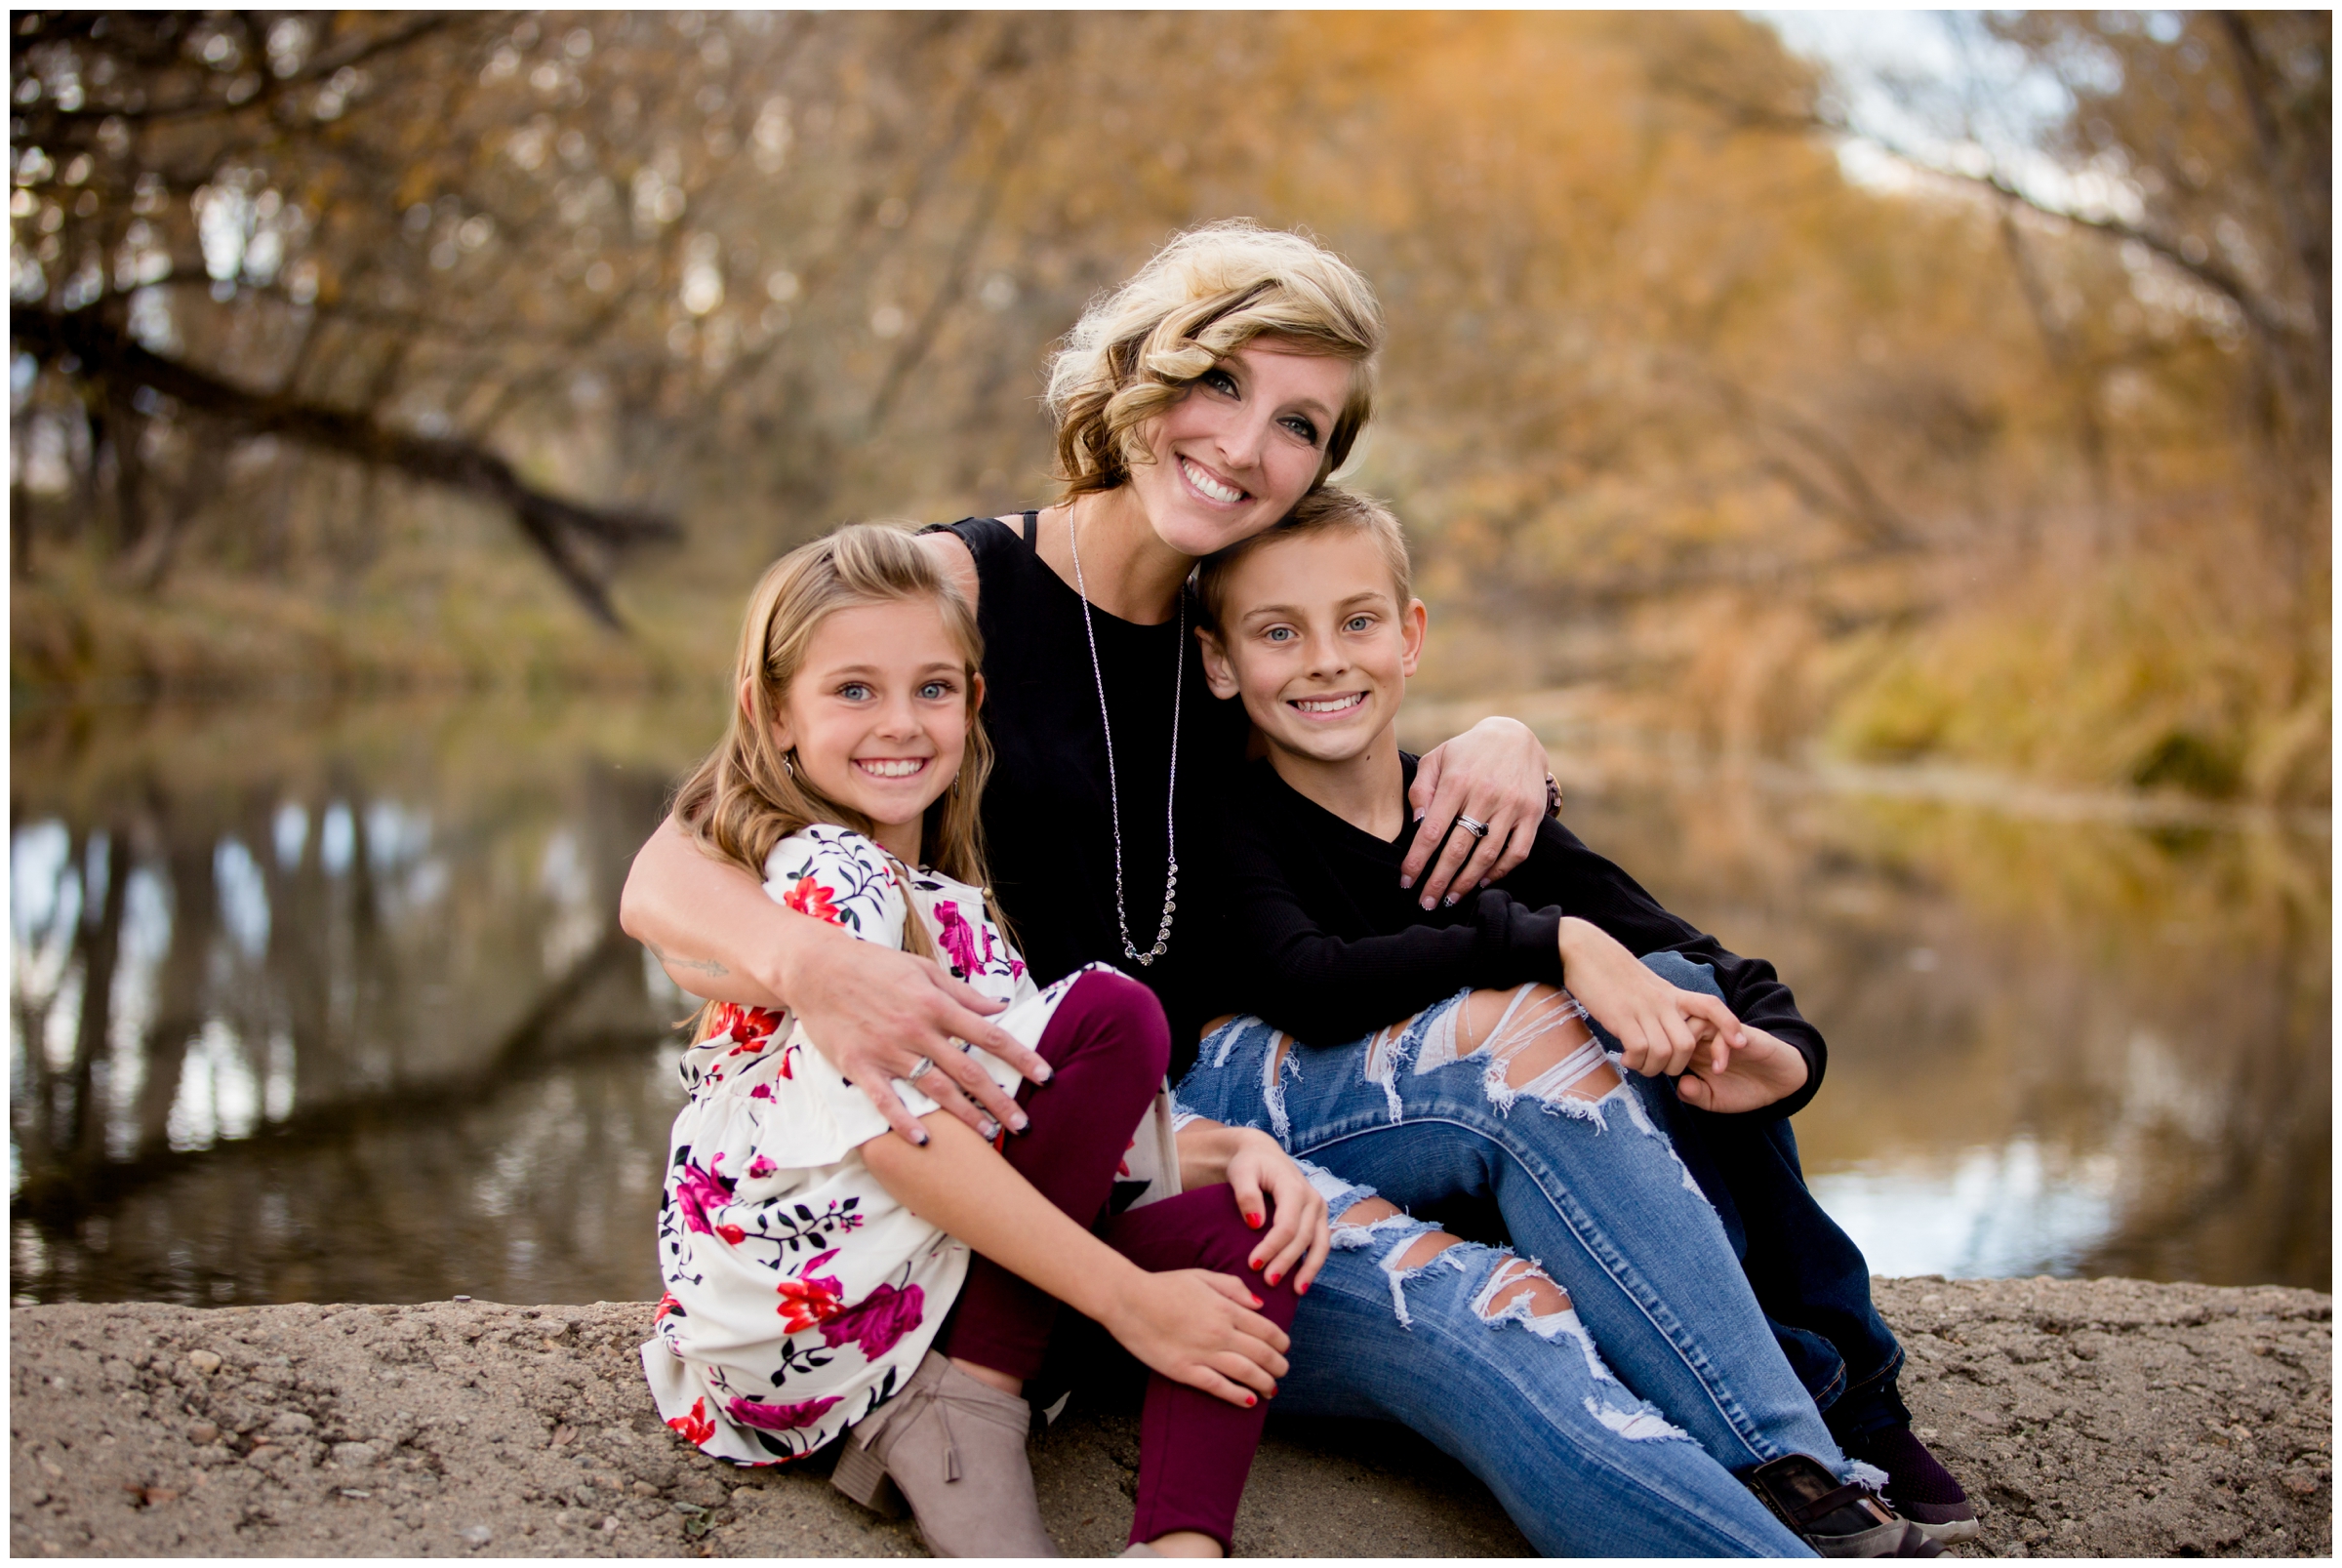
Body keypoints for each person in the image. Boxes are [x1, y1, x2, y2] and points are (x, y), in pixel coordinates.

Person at [619, 221, 1943, 1553]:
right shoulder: (959, 589)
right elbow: (676, 863)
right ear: (1137, 373)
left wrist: (1503, 744)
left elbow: (1364, 740)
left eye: (1300, 423)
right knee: (1494, 1312)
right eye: (1220, 384)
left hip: (1259, 1090)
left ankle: (1805, 1470)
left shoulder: (1243, 625)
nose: (1249, 445)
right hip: (1071, 1151)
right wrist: (808, 964)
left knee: (1540, 1041)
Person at [1182, 486, 1975, 1545]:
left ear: (1410, 637)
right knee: (1586, 993)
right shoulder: (1232, 819)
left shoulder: (1470, 813)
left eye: (1357, 621)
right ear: (1221, 661)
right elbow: (1308, 980)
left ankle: (1849, 1376)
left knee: (1672, 994)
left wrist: (1784, 1054)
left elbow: (1701, 956)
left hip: (1550, 1149)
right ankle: (1787, 1407)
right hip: (1374, 1139)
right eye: (1279, 632)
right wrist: (1550, 942)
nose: (1326, 658)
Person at [640, 523, 1341, 1558]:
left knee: (1247, 1232)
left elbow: (1014, 1106)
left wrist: (1219, 1151)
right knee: (1114, 1014)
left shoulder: (956, 906)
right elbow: (893, 1142)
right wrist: (1126, 1300)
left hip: (915, 1270)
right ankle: (973, 1392)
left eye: (932, 689)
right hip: (817, 1313)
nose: (899, 723)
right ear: (771, 713)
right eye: (852, 691)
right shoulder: (831, 873)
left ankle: (1181, 1541)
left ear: (974, 704)